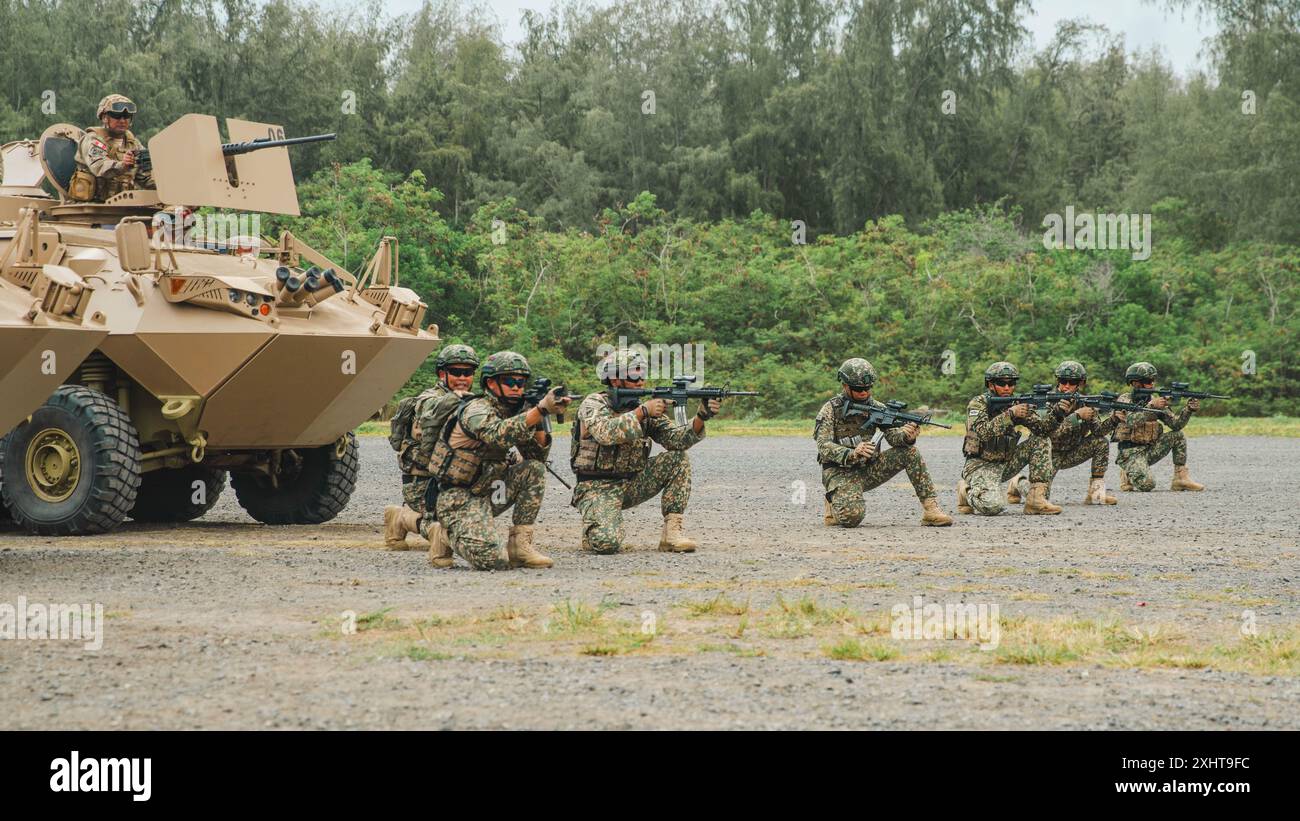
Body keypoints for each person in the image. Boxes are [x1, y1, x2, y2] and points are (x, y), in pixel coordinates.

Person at [430, 351, 569, 569]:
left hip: (492, 490)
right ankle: (444, 533)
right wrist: (539, 409)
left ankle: (519, 546)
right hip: (459, 497)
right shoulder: (475, 409)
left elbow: (537, 457)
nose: (517, 387)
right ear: (491, 383)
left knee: (533, 469)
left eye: (521, 382)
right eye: (510, 381)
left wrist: (539, 418)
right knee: (492, 560)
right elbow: (497, 434)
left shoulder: (518, 411)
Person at [569, 351, 718, 554]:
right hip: (596, 487)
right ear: (615, 378)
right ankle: (593, 528)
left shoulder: (642, 407)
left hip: (632, 482)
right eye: (633, 375)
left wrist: (701, 416)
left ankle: (671, 534)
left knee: (678, 459)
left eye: (642, 375)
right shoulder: (594, 404)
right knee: (606, 544)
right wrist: (642, 413)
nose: (640, 381)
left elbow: (676, 440)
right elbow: (605, 434)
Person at [814, 358, 952, 528]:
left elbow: (893, 438)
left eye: (868, 388)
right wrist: (851, 453)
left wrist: (907, 436)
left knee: (910, 452)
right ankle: (833, 500)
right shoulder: (831, 410)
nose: (864, 393)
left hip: (869, 469)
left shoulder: (878, 408)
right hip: (839, 473)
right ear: (845, 386)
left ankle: (931, 510)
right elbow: (823, 446)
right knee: (851, 518)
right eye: (858, 389)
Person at [383, 344, 478, 566]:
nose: (462, 377)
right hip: (423, 483)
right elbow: (431, 410)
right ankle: (400, 517)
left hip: (455, 478)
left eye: (468, 372)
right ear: (442, 373)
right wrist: (458, 398)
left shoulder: (472, 401)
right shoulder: (429, 398)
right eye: (456, 372)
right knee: (438, 526)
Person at [957, 361, 1064, 515]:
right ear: (990, 384)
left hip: (1006, 463)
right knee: (992, 507)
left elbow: (1042, 429)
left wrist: (1058, 413)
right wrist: (1010, 415)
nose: (1007, 388)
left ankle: (1036, 500)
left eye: (1011, 383)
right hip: (979, 465)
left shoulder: (1016, 403)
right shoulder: (979, 403)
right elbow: (981, 432)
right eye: (1001, 383)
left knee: (1041, 440)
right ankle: (965, 491)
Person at [1005, 360, 1119, 506]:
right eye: (1063, 381)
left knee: (1101, 442)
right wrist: (1076, 417)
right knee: (1041, 496)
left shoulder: (1084, 402)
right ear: (1057, 381)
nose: (1066, 386)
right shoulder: (1045, 402)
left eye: (1072, 382)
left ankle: (1096, 493)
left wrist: (1114, 419)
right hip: (1048, 456)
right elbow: (1047, 433)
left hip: (1072, 451)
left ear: (1081, 383)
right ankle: (1018, 483)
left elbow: (1098, 431)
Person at [1112, 361, 1205, 492]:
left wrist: (1188, 410)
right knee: (1147, 485)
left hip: (1149, 449)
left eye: (1153, 380)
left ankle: (1180, 478)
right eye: (1148, 381)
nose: (1152, 384)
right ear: (1135, 383)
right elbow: (1130, 421)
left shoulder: (1155, 400)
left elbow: (1176, 425)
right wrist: (1151, 407)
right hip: (1130, 453)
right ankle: (1127, 471)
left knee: (1177, 436)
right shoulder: (1124, 400)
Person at [69, 95, 155, 202]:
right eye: (117, 115)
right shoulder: (94, 139)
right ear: (105, 118)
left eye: (126, 116)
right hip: (91, 208)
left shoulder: (134, 144)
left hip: (122, 206)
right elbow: (99, 167)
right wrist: (122, 165)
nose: (122, 120)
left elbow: (146, 177)